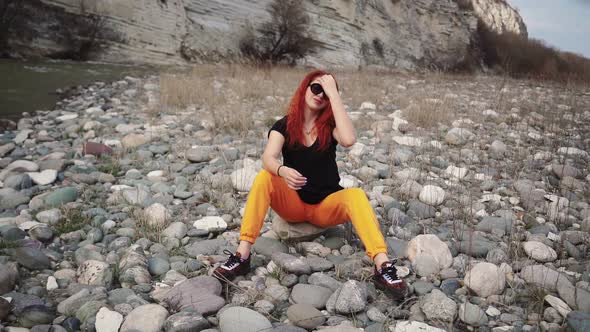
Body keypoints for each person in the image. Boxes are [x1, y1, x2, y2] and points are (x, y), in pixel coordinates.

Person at [213, 70, 408, 299]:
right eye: (316, 88)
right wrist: (282, 170)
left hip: (324, 207)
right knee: (265, 177)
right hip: (293, 205)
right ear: (304, 88)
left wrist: (334, 96)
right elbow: (268, 158)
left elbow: (348, 140)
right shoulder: (284, 125)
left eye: (325, 92)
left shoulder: (330, 126)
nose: (320, 95)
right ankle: (242, 256)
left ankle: (382, 266)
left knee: (355, 194)